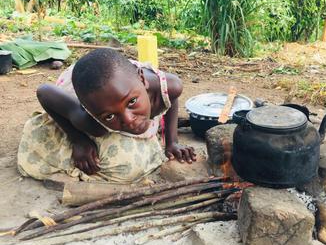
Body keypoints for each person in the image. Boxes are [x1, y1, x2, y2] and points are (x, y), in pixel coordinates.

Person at [17, 48, 196, 184]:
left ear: (142, 80)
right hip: (78, 86)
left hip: (114, 72)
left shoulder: (170, 86)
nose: (128, 120)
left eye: (132, 102)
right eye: (109, 117)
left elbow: (170, 100)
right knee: (97, 131)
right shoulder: (90, 120)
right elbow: (44, 92)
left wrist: (172, 142)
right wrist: (78, 139)